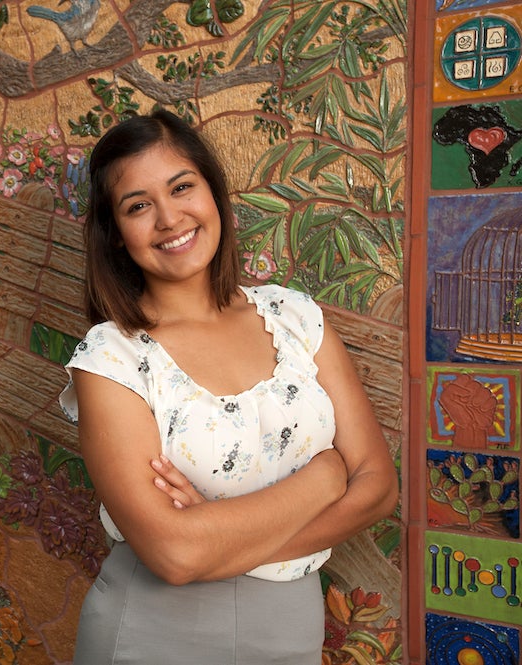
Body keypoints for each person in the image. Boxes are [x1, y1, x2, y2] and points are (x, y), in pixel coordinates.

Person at [58, 109, 398, 664]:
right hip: (151, 635)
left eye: (181, 188)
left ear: (213, 193)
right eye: (138, 206)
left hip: (290, 633)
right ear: (116, 235)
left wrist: (215, 543)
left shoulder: (296, 320)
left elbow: (379, 488)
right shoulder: (111, 359)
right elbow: (174, 555)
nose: (169, 218)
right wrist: (326, 477)